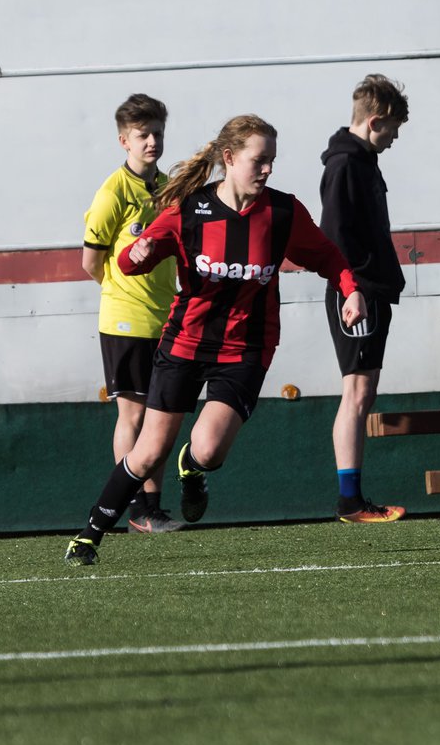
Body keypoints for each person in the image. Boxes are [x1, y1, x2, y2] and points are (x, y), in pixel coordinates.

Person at [64, 115, 366, 566]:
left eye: (272, 162)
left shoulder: (282, 213)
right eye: (258, 161)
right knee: (146, 454)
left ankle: (194, 469)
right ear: (229, 158)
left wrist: (351, 289)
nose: (267, 171)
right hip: (184, 343)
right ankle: (89, 535)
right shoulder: (189, 209)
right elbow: (127, 262)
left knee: (207, 449)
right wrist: (137, 253)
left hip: (245, 350)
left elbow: (327, 255)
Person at [81, 93, 184, 534]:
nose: (153, 142)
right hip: (124, 318)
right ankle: (136, 506)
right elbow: (91, 261)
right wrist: (122, 292)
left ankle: (151, 508)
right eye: (144, 135)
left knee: (159, 413)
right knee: (133, 416)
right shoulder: (112, 192)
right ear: (124, 140)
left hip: (165, 315)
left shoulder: (167, 189)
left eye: (158, 133)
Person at [319, 74, 410, 523]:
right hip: (356, 292)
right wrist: (352, 290)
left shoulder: (363, 161)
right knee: (356, 392)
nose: (394, 139)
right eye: (393, 129)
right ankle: (349, 501)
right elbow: (333, 236)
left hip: (369, 290)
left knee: (362, 390)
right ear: (375, 122)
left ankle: (352, 498)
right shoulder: (345, 166)